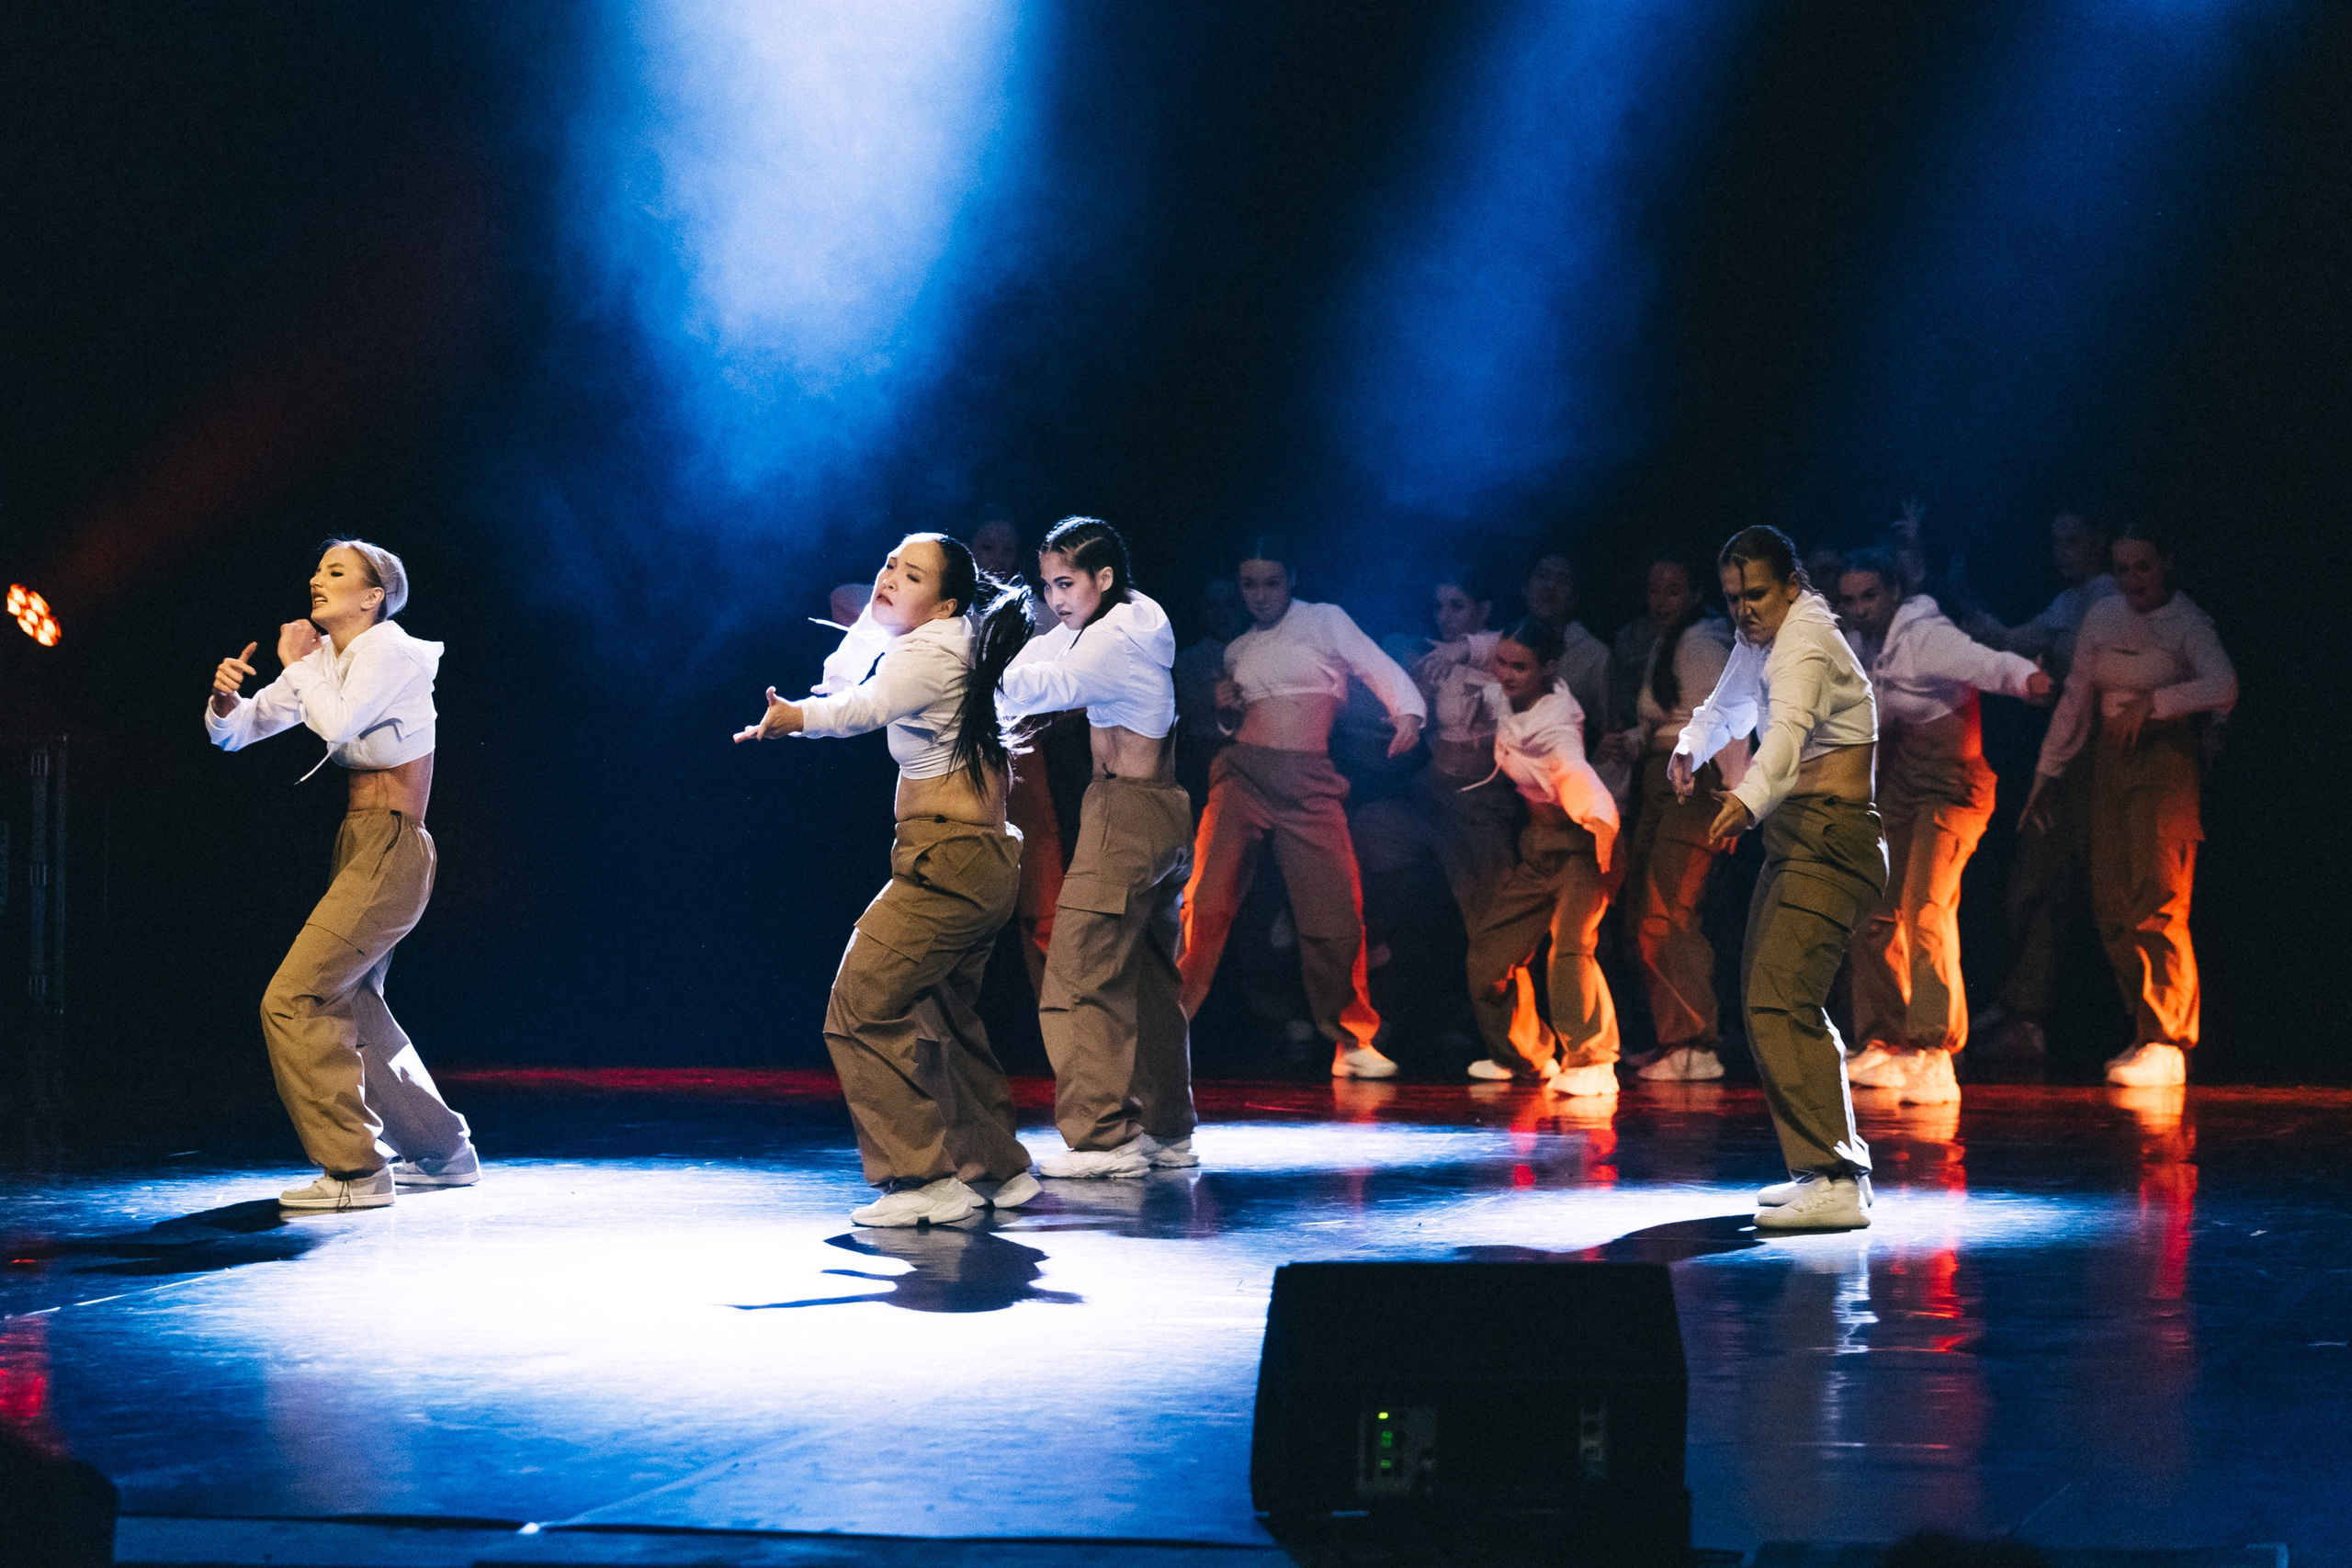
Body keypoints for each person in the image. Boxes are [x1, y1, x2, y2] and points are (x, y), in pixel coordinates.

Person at [735, 532, 1041, 1226]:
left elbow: (860, 710)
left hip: (949, 862)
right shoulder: (937, 638)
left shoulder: (932, 654)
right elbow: (857, 665)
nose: (890, 578)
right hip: (969, 858)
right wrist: (840, 669)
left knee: (859, 1006)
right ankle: (996, 1170)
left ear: (945, 603)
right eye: (889, 565)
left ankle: (923, 1180)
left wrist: (796, 719)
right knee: (943, 1018)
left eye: (912, 574)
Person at [205, 540, 476, 1212]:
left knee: (292, 997)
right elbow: (236, 734)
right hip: (359, 843)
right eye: (317, 569)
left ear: (372, 595)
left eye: (334, 572)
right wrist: (223, 700)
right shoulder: (329, 660)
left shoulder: (390, 650)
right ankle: (443, 1151)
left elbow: (334, 719)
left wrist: (297, 664)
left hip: (393, 844)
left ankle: (355, 1171)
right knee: (352, 1002)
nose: (314, 580)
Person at [1674, 525, 1884, 1231]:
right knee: (1765, 993)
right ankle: (1819, 1167)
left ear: (1792, 583)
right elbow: (1731, 702)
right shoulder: (1763, 638)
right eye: (1733, 597)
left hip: (1832, 837)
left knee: (1781, 996)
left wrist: (1745, 800)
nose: (1744, 610)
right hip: (1798, 837)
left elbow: (1787, 735)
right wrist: (1690, 746)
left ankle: (1838, 1178)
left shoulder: (1805, 642)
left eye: (1757, 593)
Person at [1178, 538, 1426, 1077]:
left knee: (1334, 912)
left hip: (1310, 782)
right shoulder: (1238, 649)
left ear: (1292, 578)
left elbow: (1372, 662)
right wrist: (1224, 713)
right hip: (1244, 774)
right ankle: (1169, 1020)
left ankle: (1352, 1041)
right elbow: (1234, 723)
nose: (1261, 595)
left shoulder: (1324, 621)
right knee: (1208, 896)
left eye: (1271, 582)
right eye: (1250, 584)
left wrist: (1407, 712)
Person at [994, 518, 1196, 1179]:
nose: (1055, 597)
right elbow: (1051, 658)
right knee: (1144, 978)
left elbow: (1038, 686)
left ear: (1103, 578)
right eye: (1048, 583)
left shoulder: (1108, 638)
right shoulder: (1135, 616)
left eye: (1067, 582)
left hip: (1128, 813)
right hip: (1160, 809)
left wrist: (991, 661)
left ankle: (1105, 1137)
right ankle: (1168, 1130)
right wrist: (1046, 638)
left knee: (1077, 972)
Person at [1836, 548, 2052, 1103]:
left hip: (1953, 788)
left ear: (1894, 593)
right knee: (1874, 910)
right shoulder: (1861, 649)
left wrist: (2030, 679)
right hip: (1898, 789)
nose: (1860, 608)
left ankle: (1935, 1054)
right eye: (1850, 599)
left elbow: (1989, 663)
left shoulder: (1926, 636)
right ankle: (1884, 1041)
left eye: (1871, 595)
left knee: (1926, 907)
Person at [2024, 525, 2235, 1088]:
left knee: (2157, 895)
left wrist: (2158, 702)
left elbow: (2224, 684)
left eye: (2144, 566)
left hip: (2164, 762)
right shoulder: (2102, 617)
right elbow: (2075, 699)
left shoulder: (2187, 622)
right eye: (2122, 569)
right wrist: (2047, 772)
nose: (2133, 579)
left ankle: (2169, 1039)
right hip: (2107, 763)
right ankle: (2145, 1033)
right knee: (2112, 900)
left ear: (2166, 563)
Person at [1964, 509, 2120, 1058]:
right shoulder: (2066, 602)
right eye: (2056, 542)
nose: (2062, 553)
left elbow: (2077, 686)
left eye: (2074, 541)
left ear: (2100, 542)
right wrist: (1957, 596)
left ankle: (2151, 1030)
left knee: (2115, 893)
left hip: (2099, 756)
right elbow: (2011, 641)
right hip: (2065, 754)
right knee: (2035, 883)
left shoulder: (2110, 600)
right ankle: (2022, 1013)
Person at [1460, 619, 1623, 1093]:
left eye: (1520, 667)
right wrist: (1461, 651)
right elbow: (1486, 669)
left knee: (1570, 949)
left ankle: (1595, 1062)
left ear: (1548, 668)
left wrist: (1598, 819)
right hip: (1539, 846)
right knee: (1489, 955)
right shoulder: (1505, 696)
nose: (1507, 674)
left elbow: (1573, 769)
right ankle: (1525, 1055)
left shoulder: (1556, 720)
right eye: (1502, 663)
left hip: (1584, 843)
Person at [1598, 556, 1740, 1082]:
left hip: (1695, 782)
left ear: (1694, 592)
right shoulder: (1672, 640)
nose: (1661, 600)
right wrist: (1633, 742)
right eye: (1654, 590)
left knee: (1668, 911)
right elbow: (1669, 721)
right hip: (1666, 778)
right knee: (1647, 913)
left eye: (1673, 590)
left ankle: (1694, 1045)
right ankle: (1675, 1039)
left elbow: (1724, 720)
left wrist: (1737, 797)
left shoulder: (1701, 641)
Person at [1410, 565, 1521, 924]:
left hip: (1486, 798)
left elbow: (1498, 647)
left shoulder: (1506, 652)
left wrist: (1463, 650)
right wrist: (1418, 699)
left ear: (1483, 609)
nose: (1444, 617)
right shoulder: (1430, 656)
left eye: (1456, 606)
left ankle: (1509, 973)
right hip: (1441, 791)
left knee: (1497, 893)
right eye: (1439, 606)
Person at [1518, 550, 1611, 729]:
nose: (1550, 586)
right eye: (1543, 575)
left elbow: (1611, 729)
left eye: (1562, 580)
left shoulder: (1594, 656)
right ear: (1524, 586)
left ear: (1573, 596)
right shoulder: (1502, 645)